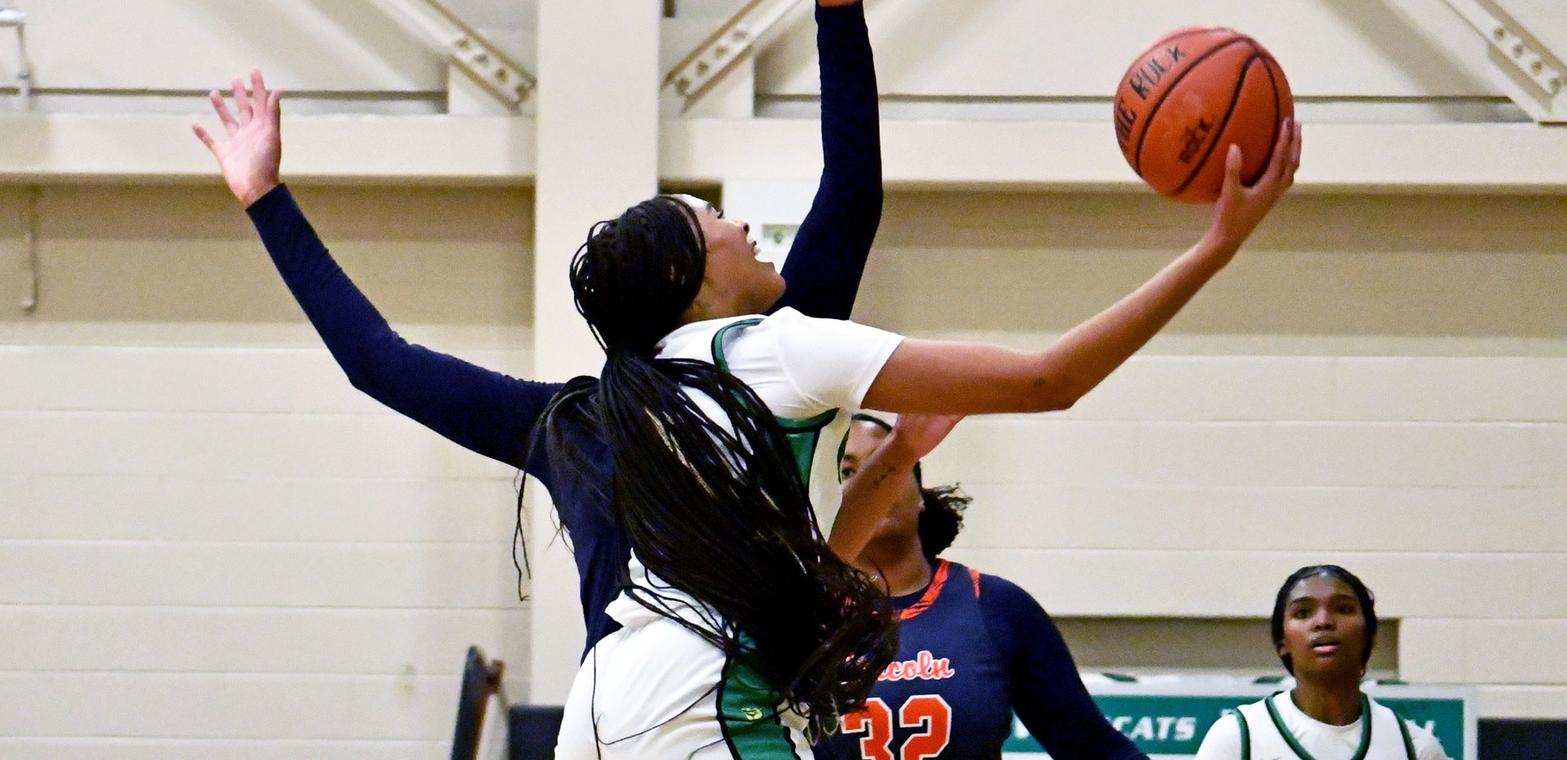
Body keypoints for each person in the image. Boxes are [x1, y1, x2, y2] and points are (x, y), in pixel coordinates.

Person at [194, 7, 1303, 754]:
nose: (743, 221)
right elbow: (1045, 372)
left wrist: (264, 201)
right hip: (705, 720)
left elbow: (377, 362)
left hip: (603, 719)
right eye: (715, 218)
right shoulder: (771, 352)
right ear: (693, 280)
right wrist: (1214, 247)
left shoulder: (580, 416)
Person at [827, 414, 1146, 760]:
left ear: (920, 494)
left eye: (885, 463)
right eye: (847, 472)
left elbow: (1096, 749)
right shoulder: (798, 616)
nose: (871, 481)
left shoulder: (996, 606)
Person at [1193, 565, 1449, 760]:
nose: (1323, 621)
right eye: (1303, 612)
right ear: (1282, 642)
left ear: (1369, 637)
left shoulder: (1416, 749)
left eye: (1343, 609)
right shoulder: (1237, 738)